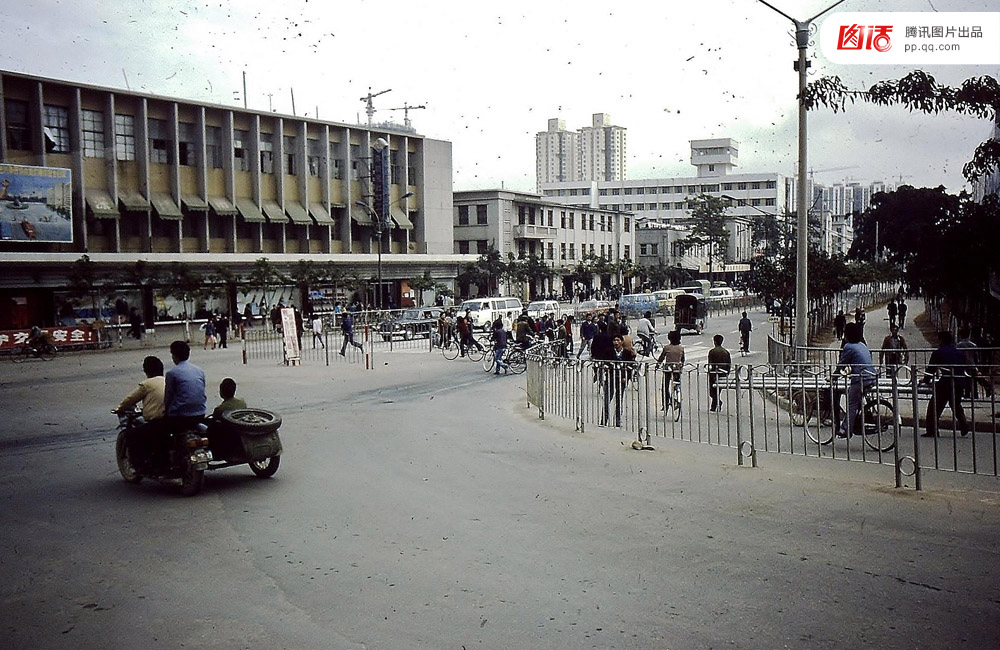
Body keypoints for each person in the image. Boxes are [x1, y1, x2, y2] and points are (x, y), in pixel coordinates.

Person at [116, 355, 166, 469]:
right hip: (171, 419)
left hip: (157, 422)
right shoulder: (167, 380)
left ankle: (139, 466)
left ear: (146, 371)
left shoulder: (146, 384)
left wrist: (119, 409)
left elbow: (130, 399)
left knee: (131, 435)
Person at [921, 331, 971, 437]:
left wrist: (925, 380)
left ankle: (932, 430)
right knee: (955, 404)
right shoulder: (959, 352)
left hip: (947, 381)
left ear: (941, 340)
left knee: (934, 407)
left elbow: (931, 370)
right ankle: (964, 424)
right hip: (960, 381)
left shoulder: (938, 353)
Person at [835, 322, 877, 438]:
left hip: (861, 379)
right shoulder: (862, 345)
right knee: (855, 397)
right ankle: (860, 418)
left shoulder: (849, 347)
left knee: (852, 402)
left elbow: (842, 364)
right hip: (871, 376)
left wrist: (834, 376)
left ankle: (845, 429)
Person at [600, 335, 636, 427]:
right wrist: (605, 367)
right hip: (610, 378)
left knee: (619, 400)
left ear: (622, 342)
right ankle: (604, 420)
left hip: (621, 379)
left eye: (618, 340)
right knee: (607, 399)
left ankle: (617, 420)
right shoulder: (609, 352)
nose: (616, 342)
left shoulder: (627, 353)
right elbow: (604, 362)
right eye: (614, 340)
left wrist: (626, 377)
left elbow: (630, 367)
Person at [956, 327, 993, 399]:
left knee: (967, 379)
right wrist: (977, 364)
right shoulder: (973, 344)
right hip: (972, 364)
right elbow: (976, 356)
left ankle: (968, 394)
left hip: (963, 365)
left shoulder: (958, 345)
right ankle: (976, 393)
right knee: (974, 379)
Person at [656, 330, 685, 410]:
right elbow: (683, 360)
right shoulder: (681, 348)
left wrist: (657, 365)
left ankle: (665, 404)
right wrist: (681, 366)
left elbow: (661, 358)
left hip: (668, 369)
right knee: (676, 382)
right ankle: (677, 393)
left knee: (665, 386)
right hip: (677, 369)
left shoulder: (667, 348)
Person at [707, 334, 732, 412]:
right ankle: (715, 405)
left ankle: (716, 404)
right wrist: (727, 372)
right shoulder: (726, 352)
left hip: (714, 373)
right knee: (718, 390)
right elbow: (729, 364)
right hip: (723, 373)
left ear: (714, 342)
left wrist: (710, 372)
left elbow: (710, 363)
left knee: (712, 391)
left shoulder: (712, 352)